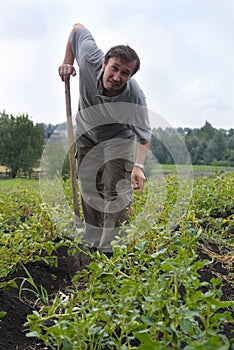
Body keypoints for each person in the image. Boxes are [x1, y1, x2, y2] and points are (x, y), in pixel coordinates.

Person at [58, 23, 151, 255]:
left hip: (118, 138)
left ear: (131, 76)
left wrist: (138, 167)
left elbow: (144, 136)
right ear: (104, 63)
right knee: (89, 187)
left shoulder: (135, 97)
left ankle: (111, 250)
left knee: (115, 191)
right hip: (87, 134)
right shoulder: (90, 58)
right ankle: (92, 243)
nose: (117, 77)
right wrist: (67, 61)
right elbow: (77, 29)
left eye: (125, 73)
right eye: (115, 68)